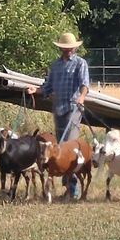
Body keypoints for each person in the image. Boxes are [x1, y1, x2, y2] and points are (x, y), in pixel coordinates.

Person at [27, 32, 90, 199]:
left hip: (73, 109)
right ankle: (66, 186)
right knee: (60, 148)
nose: (67, 51)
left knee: (70, 147)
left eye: (70, 48)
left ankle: (73, 188)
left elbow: (85, 85)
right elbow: (48, 87)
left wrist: (81, 98)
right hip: (59, 110)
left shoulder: (80, 63)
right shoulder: (55, 66)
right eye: (64, 48)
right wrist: (36, 90)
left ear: (75, 48)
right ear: (61, 49)